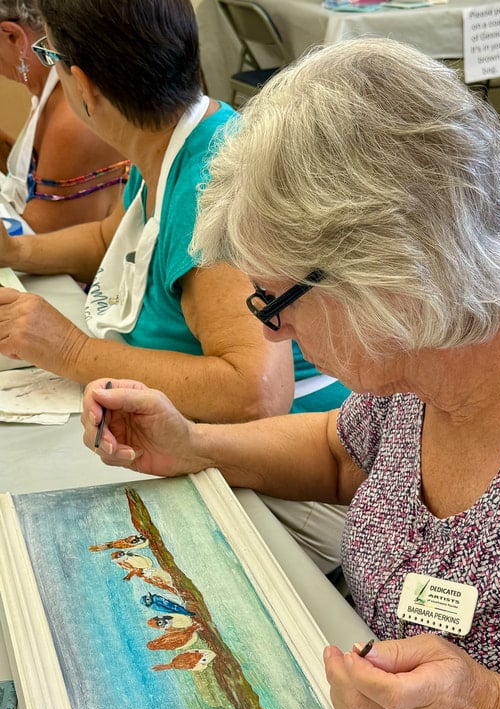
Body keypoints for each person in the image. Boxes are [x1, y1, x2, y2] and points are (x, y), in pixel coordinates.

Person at [80, 39, 500, 709]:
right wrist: (194, 442)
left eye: (274, 300)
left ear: (388, 274)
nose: (271, 330)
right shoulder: (425, 351)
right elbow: (344, 452)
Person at [0, 0, 296, 423]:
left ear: (83, 85)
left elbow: (256, 392)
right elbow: (112, 239)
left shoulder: (210, 187)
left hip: (276, 443)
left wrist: (70, 350)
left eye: (50, 56)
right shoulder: (172, 133)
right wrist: (15, 251)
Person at [0, 0, 128, 232]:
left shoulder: (71, 117)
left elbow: (38, 238)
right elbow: (27, 178)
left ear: (13, 36)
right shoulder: (51, 87)